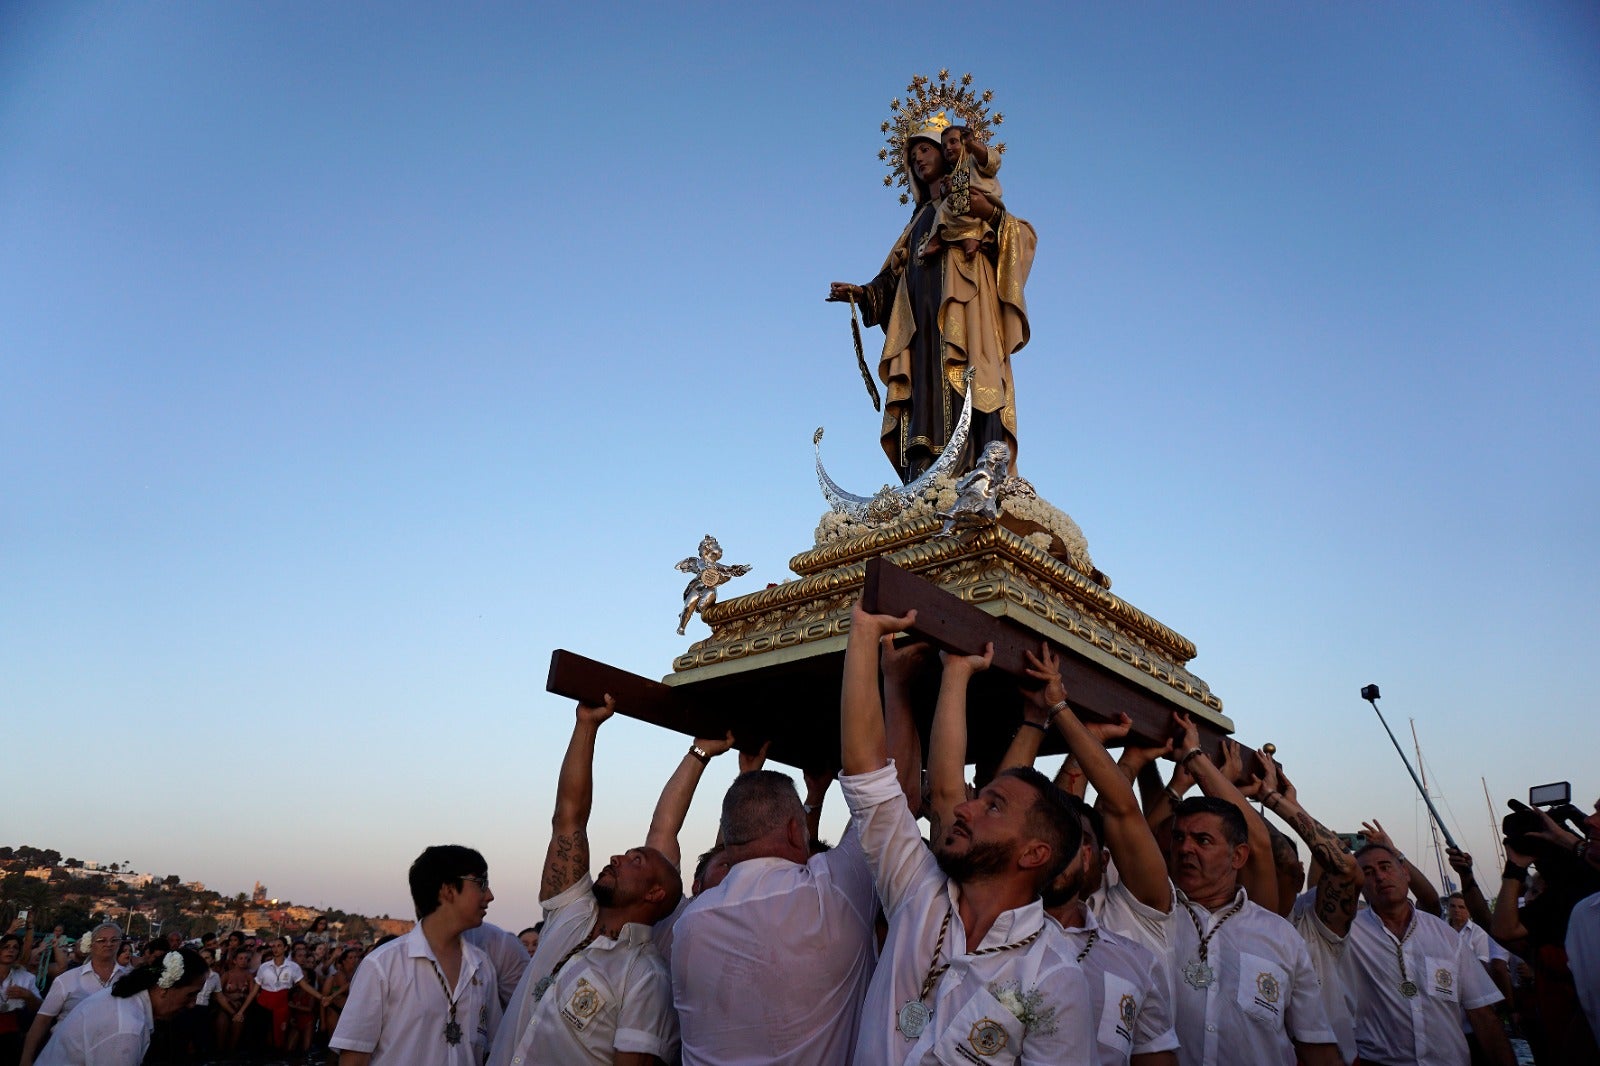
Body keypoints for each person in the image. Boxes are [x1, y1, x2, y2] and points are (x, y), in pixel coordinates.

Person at [840, 600, 1095, 1066]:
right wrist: (862, 634)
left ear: (1033, 854)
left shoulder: (1053, 976)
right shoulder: (917, 890)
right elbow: (867, 777)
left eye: (992, 806)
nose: (966, 807)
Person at [828, 112, 1035, 482]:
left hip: (966, 311)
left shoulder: (969, 196)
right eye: (912, 158)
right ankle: (926, 473)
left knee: (973, 375)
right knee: (925, 391)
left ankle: (979, 463)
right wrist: (863, 294)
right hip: (921, 329)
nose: (918, 160)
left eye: (924, 150)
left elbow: (1019, 236)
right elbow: (893, 277)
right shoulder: (918, 220)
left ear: (945, 150)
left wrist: (990, 224)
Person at [490, 696, 681, 1066]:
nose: (616, 858)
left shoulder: (644, 976)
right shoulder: (572, 911)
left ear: (655, 892)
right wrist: (586, 726)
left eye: (634, 860)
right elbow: (569, 818)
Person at [670, 763, 878, 1064]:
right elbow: (885, 804)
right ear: (795, 831)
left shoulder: (690, 923)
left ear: (728, 843)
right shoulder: (830, 893)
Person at [1163, 794, 1341, 1066]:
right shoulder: (1153, 920)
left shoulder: (1280, 936)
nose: (1185, 848)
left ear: (1238, 856)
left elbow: (1315, 1045)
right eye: (1178, 838)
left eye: (1202, 840)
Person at [330, 845, 502, 1065]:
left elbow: (493, 1047)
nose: (489, 896)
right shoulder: (383, 965)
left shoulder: (482, 966)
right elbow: (354, 1058)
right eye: (481, 883)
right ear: (447, 889)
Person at [1346, 842, 1513, 1066]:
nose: (1379, 876)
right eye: (1367, 872)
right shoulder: (1349, 936)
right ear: (1359, 885)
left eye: (1386, 867)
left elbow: (1482, 1013)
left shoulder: (1445, 934)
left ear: (1405, 873)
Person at [34, 947, 207, 1066]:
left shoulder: (128, 1002)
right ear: (164, 987)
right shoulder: (127, 1027)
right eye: (190, 994)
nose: (192, 1004)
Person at [19, 922, 127, 1066]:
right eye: (102, 940)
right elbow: (42, 1021)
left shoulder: (128, 979)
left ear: (120, 943)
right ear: (91, 945)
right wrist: (26, 1059)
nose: (108, 944)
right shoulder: (67, 980)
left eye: (114, 940)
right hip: (65, 1056)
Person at [920, 124, 1003, 261]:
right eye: (944, 146)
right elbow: (952, 189)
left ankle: (937, 241)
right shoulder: (954, 172)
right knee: (946, 211)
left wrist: (972, 144)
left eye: (953, 142)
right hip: (960, 203)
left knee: (948, 208)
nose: (947, 148)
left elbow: (990, 161)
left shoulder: (974, 159)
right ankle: (967, 240)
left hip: (981, 195)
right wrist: (947, 188)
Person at [234, 935, 324, 1052]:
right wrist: (241, 1011)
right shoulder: (264, 967)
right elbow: (254, 991)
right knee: (262, 1038)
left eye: (279, 946)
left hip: (282, 1005)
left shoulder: (293, 967)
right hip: (263, 1005)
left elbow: (305, 985)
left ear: (285, 948)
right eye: (273, 946)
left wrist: (321, 997)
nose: (275, 949)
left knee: (279, 1039)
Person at [1, 933, 42, 1066]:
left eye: (15, 947)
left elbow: (39, 1009)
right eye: (6, 947)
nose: (11, 950)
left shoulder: (26, 978)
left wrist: (28, 996)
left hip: (13, 1035)